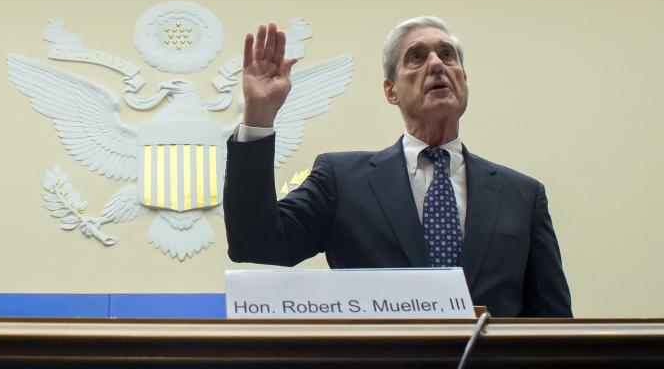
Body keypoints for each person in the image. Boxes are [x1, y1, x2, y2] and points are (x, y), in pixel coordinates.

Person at [223, 17, 572, 317]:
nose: (437, 64)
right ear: (391, 91)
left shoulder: (522, 195)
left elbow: (554, 323)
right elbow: (254, 241)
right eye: (416, 57)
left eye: (447, 55)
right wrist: (260, 115)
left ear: (464, 80)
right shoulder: (342, 181)